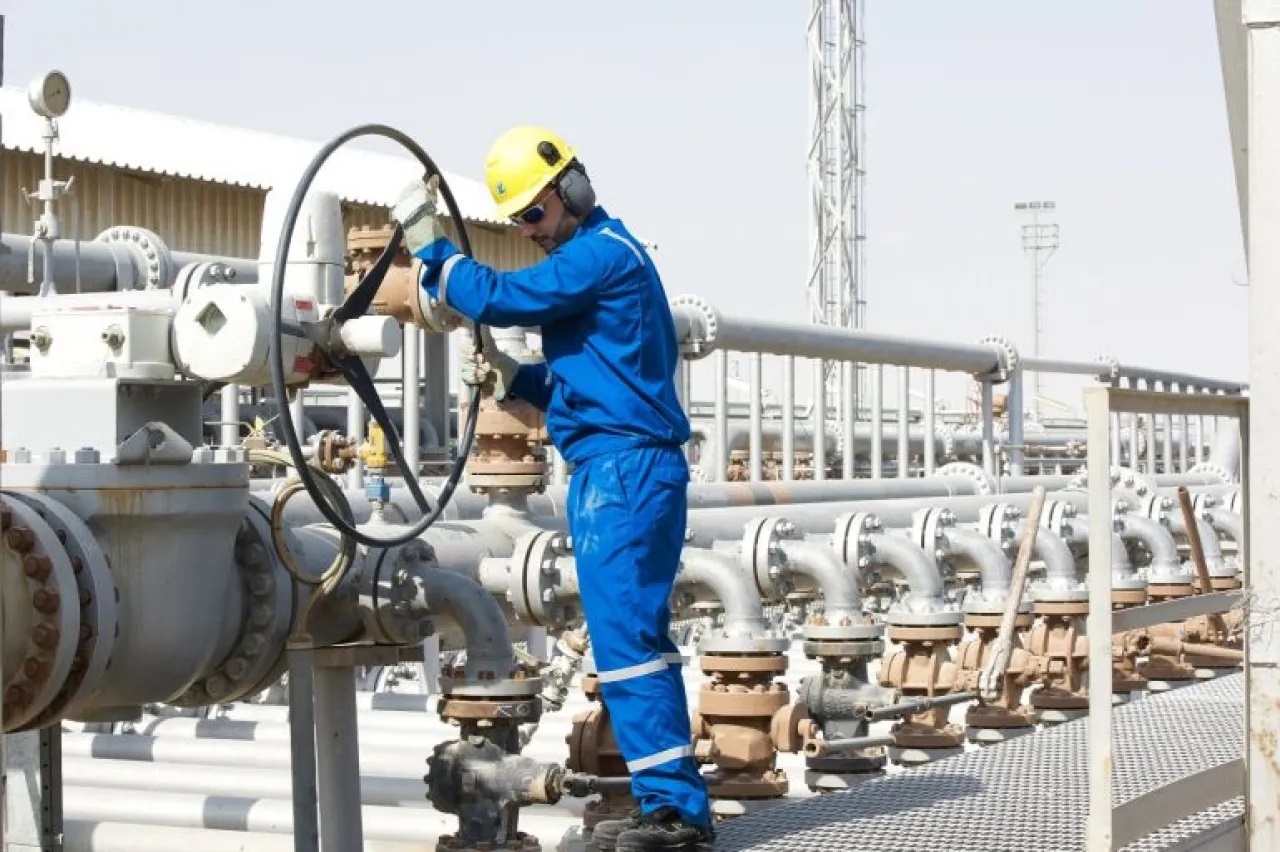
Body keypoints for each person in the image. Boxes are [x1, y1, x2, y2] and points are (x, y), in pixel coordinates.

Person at [391, 126, 714, 852]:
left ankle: (676, 813)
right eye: (518, 222)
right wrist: (518, 378)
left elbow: (507, 296)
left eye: (534, 213)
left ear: (573, 190)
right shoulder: (601, 260)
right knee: (637, 641)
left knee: (628, 642)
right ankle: (670, 803)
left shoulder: (600, 255)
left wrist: (435, 256)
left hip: (624, 473)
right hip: (621, 468)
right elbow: (590, 380)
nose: (529, 231)